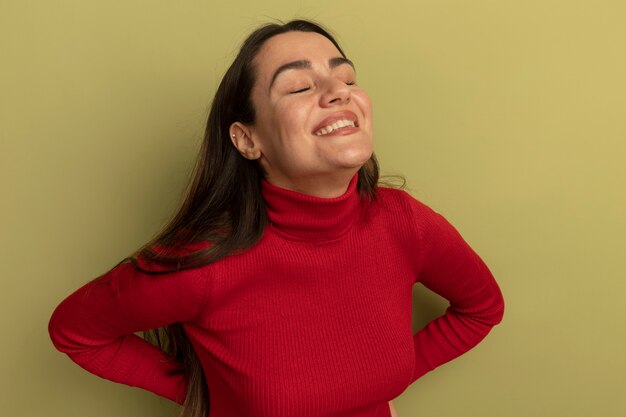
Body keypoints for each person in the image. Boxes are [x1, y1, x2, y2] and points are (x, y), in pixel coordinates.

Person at [48, 19, 504, 417]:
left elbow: (482, 310)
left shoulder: (406, 224)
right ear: (247, 140)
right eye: (300, 87)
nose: (338, 93)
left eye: (346, 79)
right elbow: (75, 332)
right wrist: (211, 395)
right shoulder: (201, 262)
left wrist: (389, 384)